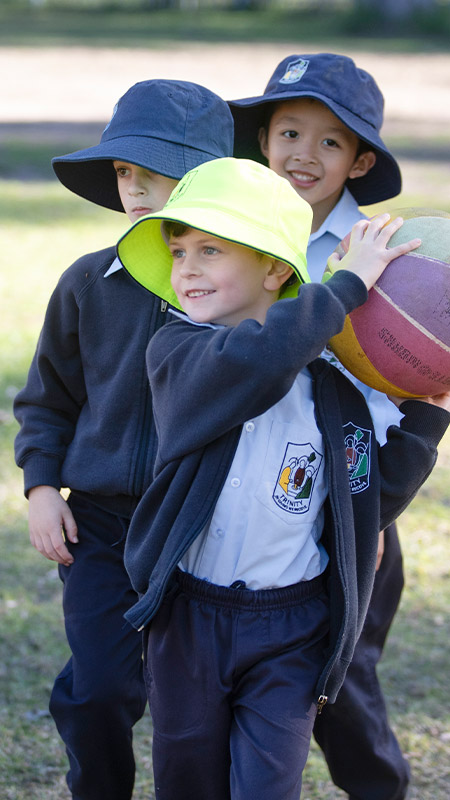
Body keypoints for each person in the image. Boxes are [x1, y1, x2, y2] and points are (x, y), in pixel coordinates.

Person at [114, 156, 450, 800]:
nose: (186, 267)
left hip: (291, 626)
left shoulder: (333, 395)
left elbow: (363, 501)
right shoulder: (179, 357)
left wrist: (423, 429)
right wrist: (347, 288)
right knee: (188, 780)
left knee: (270, 785)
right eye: (178, 249)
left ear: (274, 269)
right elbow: (257, 360)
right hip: (191, 617)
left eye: (209, 250)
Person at [13, 79, 234, 800]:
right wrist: (42, 487)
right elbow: (48, 397)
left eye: (154, 171)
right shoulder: (87, 282)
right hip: (102, 526)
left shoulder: (236, 289)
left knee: (193, 701)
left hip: (201, 525)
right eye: (123, 171)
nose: (134, 187)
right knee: (100, 689)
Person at [229, 52, 411, 800]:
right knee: (244, 668)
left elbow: (395, 395)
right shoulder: (233, 234)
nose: (303, 154)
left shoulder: (380, 255)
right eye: (289, 132)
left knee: (341, 676)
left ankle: (379, 790)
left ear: (359, 160)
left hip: (348, 494)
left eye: (330, 142)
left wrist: (371, 510)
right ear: (263, 140)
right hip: (250, 492)